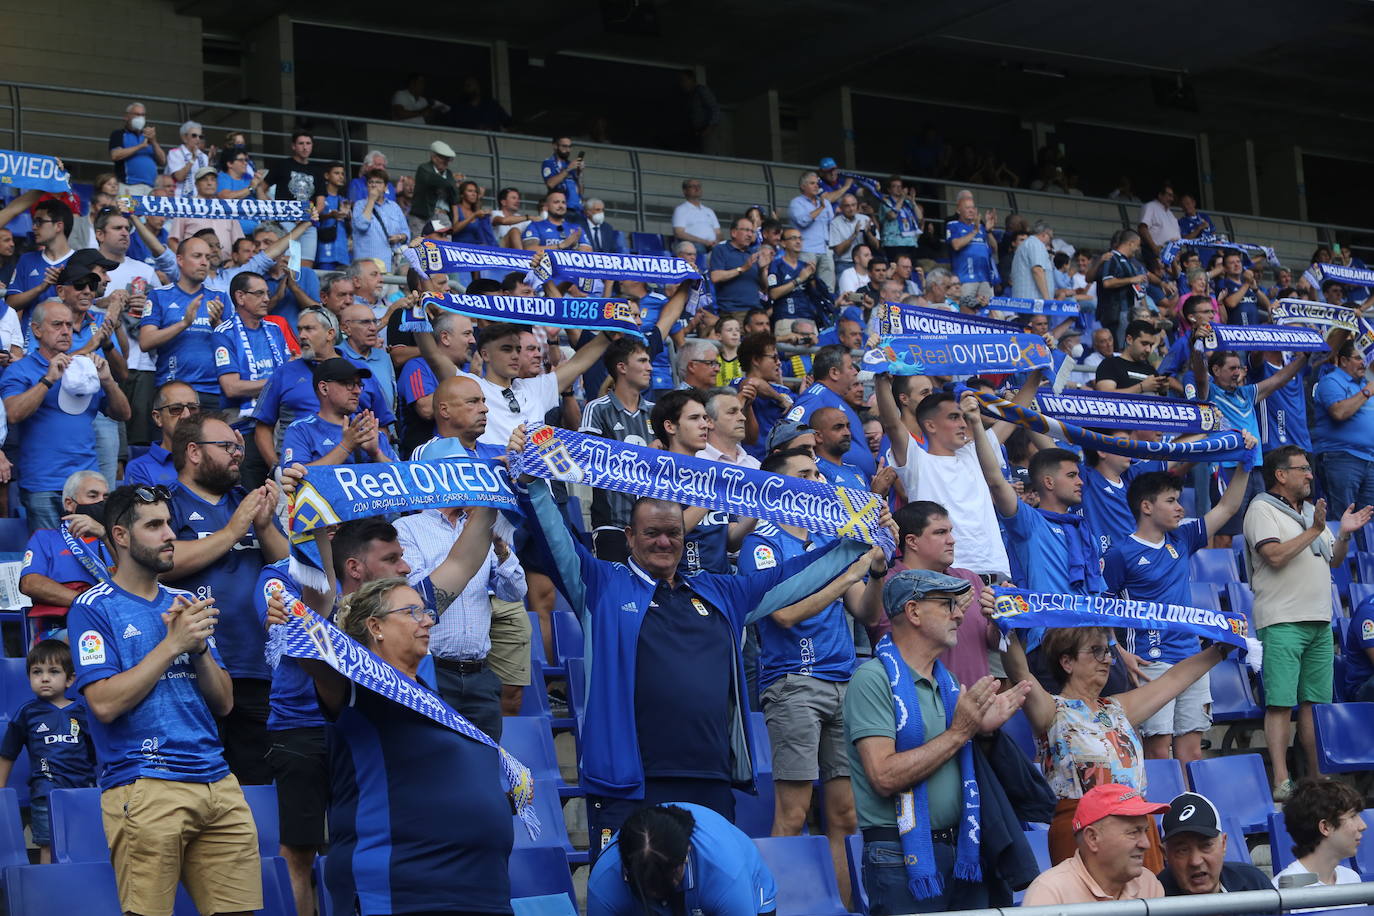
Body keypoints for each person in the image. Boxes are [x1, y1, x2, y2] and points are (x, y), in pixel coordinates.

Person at [520, 457, 881, 853]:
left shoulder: (721, 592)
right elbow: (557, 542)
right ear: (629, 536)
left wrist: (860, 540)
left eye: (673, 532)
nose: (664, 541)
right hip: (627, 781)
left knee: (710, 895)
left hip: (710, 777)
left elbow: (794, 576)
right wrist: (534, 484)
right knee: (627, 894)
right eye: (652, 532)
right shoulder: (603, 585)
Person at [69, 484, 262, 916]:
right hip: (146, 784)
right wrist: (173, 645)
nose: (170, 534)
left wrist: (197, 652)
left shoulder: (187, 602)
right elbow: (102, 704)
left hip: (218, 782)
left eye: (169, 524)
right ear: (120, 536)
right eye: (154, 526)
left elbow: (225, 702)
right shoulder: (92, 607)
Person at [294, 577, 515, 914]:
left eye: (426, 612)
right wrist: (299, 615)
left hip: (483, 893)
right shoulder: (358, 689)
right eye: (412, 612)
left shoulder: (434, 699)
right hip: (401, 893)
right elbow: (313, 651)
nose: (427, 620)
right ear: (375, 626)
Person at [740, 448, 884, 903]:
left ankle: (843, 908)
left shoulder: (829, 538)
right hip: (793, 684)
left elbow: (865, 610)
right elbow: (781, 615)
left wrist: (875, 573)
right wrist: (848, 574)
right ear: (779, 487)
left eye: (818, 472)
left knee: (845, 816)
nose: (817, 479)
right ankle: (778, 908)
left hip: (845, 681)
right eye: (804, 474)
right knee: (794, 812)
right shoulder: (761, 543)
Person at [845, 569, 1031, 914]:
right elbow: (884, 776)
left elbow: (956, 752)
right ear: (913, 612)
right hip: (898, 855)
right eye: (948, 604)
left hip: (962, 849)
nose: (960, 614)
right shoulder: (872, 680)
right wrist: (961, 732)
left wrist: (982, 732)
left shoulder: (947, 683)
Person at [1002, 625, 1232, 871]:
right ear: (1067, 661)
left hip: (1137, 824)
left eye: (1108, 651)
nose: (1108, 660)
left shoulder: (1116, 708)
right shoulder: (1051, 710)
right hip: (1081, 830)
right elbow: (1019, 671)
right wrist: (1003, 624)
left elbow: (1175, 679)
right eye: (1096, 651)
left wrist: (1222, 649)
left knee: (1147, 905)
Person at [164, 412, 289, 787]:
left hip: (257, 666)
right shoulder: (167, 504)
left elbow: (286, 566)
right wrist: (234, 530)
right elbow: (162, 563)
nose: (237, 454)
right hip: (194, 669)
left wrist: (263, 526)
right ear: (193, 452)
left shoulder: (247, 500)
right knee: (198, 786)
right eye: (226, 447)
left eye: (239, 447)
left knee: (259, 788)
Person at [1243, 446, 1372, 800]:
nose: (1310, 475)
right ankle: (1282, 780)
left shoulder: (1310, 512)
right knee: (1281, 703)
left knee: (1315, 706)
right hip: (1282, 619)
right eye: (1302, 469)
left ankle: (1316, 779)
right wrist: (1315, 530)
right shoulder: (1261, 508)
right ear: (1281, 475)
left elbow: (1334, 560)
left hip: (1319, 620)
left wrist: (1342, 533)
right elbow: (1274, 555)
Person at [1104, 468, 1251, 763]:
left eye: (1179, 500)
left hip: (1191, 658)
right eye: (1171, 500)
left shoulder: (1181, 538)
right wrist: (1118, 651)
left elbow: (1228, 506)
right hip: (1150, 661)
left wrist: (1245, 464)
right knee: (1158, 750)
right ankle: (1161, 811)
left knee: (1192, 751)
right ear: (1146, 506)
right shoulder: (1120, 554)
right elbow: (1103, 610)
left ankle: (1193, 809)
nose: (1180, 508)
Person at [2, 299, 131, 530]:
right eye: (57, 325)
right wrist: (48, 379)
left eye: (69, 326)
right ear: (36, 329)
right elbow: (13, 414)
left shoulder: (85, 367)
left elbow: (123, 414)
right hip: (43, 483)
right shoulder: (20, 370)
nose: (65, 331)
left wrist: (108, 381)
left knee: (91, 554)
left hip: (86, 482)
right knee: (51, 556)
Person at [251, 307, 395, 468]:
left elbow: (381, 423)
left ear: (330, 334)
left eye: (309, 329)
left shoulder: (361, 371)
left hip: (360, 468)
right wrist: (276, 468)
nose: (302, 336)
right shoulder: (284, 373)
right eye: (300, 330)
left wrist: (376, 452)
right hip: (300, 458)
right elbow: (263, 427)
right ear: (323, 388)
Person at [587, 803, 777, 916]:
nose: (655, 890)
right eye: (647, 883)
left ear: (686, 854)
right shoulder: (605, 882)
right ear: (626, 870)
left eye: (665, 879)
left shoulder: (726, 873)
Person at [0, 640, 96, 863]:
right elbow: (8, 752)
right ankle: (51, 896)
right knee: (48, 847)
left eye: (53, 671)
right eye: (36, 672)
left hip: (81, 791)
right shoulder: (27, 713)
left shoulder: (83, 712)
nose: (44, 678)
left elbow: (94, 753)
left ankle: (77, 890)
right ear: (29, 677)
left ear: (70, 679)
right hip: (45, 793)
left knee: (82, 844)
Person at [1020, 783, 1168, 905]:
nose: (1146, 844)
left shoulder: (1148, 883)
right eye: (1133, 832)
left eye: (1145, 831)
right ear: (1092, 838)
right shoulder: (1050, 892)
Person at [18, 470, 113, 640]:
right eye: (93, 496)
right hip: (61, 630)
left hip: (115, 624)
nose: (101, 502)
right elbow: (29, 583)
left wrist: (104, 535)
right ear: (69, 503)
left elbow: (135, 578)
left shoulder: (117, 538)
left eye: (105, 498)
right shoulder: (45, 538)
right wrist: (88, 603)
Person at [138, 236, 230, 407]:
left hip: (214, 391)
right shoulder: (159, 295)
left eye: (207, 257)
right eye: (197, 256)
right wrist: (184, 323)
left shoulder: (220, 297)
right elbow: (145, 342)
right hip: (173, 390)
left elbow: (235, 346)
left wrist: (217, 325)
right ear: (179, 260)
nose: (204, 262)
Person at [281, 358, 398, 467]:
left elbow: (404, 478)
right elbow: (296, 479)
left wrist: (376, 454)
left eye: (359, 385)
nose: (357, 391)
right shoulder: (301, 430)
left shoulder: (369, 429)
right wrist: (346, 446)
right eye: (349, 384)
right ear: (324, 388)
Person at [787, 345, 875, 478]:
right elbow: (789, 435)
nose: (855, 372)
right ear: (834, 373)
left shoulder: (833, 397)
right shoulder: (816, 396)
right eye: (850, 367)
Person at [1158, 791, 1270, 895]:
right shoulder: (1154, 897)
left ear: (1223, 844)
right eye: (1182, 850)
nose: (1195, 861)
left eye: (1206, 846)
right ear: (1165, 854)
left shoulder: (1254, 884)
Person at [1313, 339, 1374, 515]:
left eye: (1366, 359)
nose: (1364, 363)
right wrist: (1367, 392)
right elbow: (1339, 412)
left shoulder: (1365, 382)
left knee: (1369, 521)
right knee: (1344, 517)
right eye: (1358, 358)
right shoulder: (1331, 381)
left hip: (1369, 458)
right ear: (1344, 360)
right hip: (1341, 456)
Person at [1273, 777, 1366, 888]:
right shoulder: (1283, 889)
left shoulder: (1351, 878)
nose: (1363, 826)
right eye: (1352, 816)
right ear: (1325, 827)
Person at [788, 171, 837, 288]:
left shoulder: (825, 202)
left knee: (828, 287)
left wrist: (823, 204)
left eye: (817, 183)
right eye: (812, 183)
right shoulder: (796, 203)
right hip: (807, 249)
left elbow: (831, 221)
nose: (816, 186)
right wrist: (821, 207)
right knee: (805, 285)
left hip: (825, 250)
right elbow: (803, 221)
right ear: (803, 186)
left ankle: (827, 305)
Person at [710, 217, 767, 313]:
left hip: (756, 311)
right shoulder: (721, 250)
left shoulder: (754, 253)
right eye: (746, 230)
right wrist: (742, 269)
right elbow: (715, 277)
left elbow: (764, 288)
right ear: (734, 233)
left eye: (752, 231)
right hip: (732, 311)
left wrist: (762, 270)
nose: (750, 234)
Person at [352, 170, 408, 268]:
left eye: (378, 182)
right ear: (367, 186)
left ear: (385, 187)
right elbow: (361, 226)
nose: (374, 185)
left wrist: (399, 237)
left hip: (390, 264)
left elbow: (406, 233)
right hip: (367, 266)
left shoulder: (394, 207)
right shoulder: (359, 205)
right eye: (370, 182)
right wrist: (371, 201)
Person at [108, 102, 166, 194]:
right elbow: (115, 155)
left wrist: (154, 141)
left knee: (146, 209)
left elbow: (163, 161)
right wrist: (140, 146)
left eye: (143, 115)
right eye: (137, 114)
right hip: (128, 187)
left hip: (150, 188)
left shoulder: (148, 136)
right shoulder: (119, 134)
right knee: (127, 209)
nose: (140, 118)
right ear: (126, 117)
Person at [1095, 320, 1166, 393]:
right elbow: (1105, 396)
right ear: (1129, 340)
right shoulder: (1109, 364)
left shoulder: (1150, 369)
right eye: (1144, 343)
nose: (1148, 349)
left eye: (1151, 345)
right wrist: (1141, 387)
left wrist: (1162, 390)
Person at [698, 387, 759, 469]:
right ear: (709, 421)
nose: (743, 418)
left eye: (741, 411)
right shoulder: (695, 461)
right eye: (732, 412)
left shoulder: (755, 465)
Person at [672, 179, 721, 261]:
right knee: (696, 249)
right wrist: (704, 242)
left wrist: (717, 242)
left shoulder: (709, 211)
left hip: (712, 245)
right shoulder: (681, 210)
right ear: (685, 191)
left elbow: (719, 233)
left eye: (698, 186)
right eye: (693, 186)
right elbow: (679, 233)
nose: (697, 189)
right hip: (695, 245)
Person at [541, 136, 585, 219]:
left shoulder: (571, 164)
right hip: (562, 210)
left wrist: (580, 174)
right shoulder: (549, 162)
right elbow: (550, 184)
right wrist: (568, 169)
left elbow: (581, 192)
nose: (568, 150)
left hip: (578, 210)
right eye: (564, 146)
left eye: (570, 147)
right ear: (555, 146)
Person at [1010, 220, 1054, 300]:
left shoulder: (1026, 244)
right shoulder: (1036, 244)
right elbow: (1037, 270)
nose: (1050, 241)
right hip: (1034, 302)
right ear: (1044, 234)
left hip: (1024, 300)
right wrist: (1047, 299)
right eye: (1050, 237)